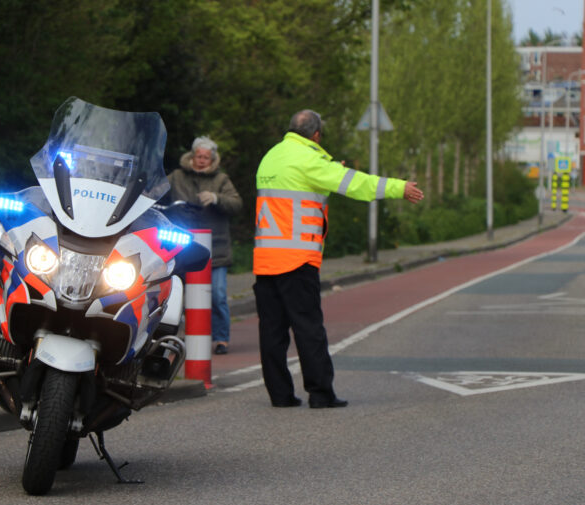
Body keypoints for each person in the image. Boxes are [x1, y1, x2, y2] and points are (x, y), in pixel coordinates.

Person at [253, 110, 424, 408]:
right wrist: (399, 187)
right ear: (316, 135)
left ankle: (280, 395)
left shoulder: (271, 156)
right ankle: (321, 393)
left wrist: (328, 171)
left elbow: (298, 189)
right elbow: (355, 184)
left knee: (272, 332)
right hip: (297, 259)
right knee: (309, 329)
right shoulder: (309, 161)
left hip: (265, 258)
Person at [167, 136, 242, 355]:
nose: (201, 160)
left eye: (206, 157)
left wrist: (217, 198)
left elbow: (237, 203)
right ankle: (181, 336)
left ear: (213, 159)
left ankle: (221, 338)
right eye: (198, 156)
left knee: (217, 295)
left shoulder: (221, 180)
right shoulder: (177, 177)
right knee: (179, 294)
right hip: (183, 248)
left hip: (215, 248)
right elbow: (156, 192)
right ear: (192, 156)